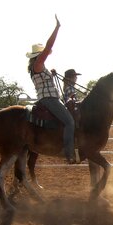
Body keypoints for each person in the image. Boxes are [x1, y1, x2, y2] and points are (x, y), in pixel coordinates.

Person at [26, 15, 76, 164]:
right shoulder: (39, 63)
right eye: (42, 54)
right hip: (50, 99)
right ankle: (69, 152)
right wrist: (57, 28)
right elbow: (49, 47)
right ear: (38, 55)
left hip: (47, 98)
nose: (45, 54)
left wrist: (51, 74)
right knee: (69, 122)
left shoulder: (36, 67)